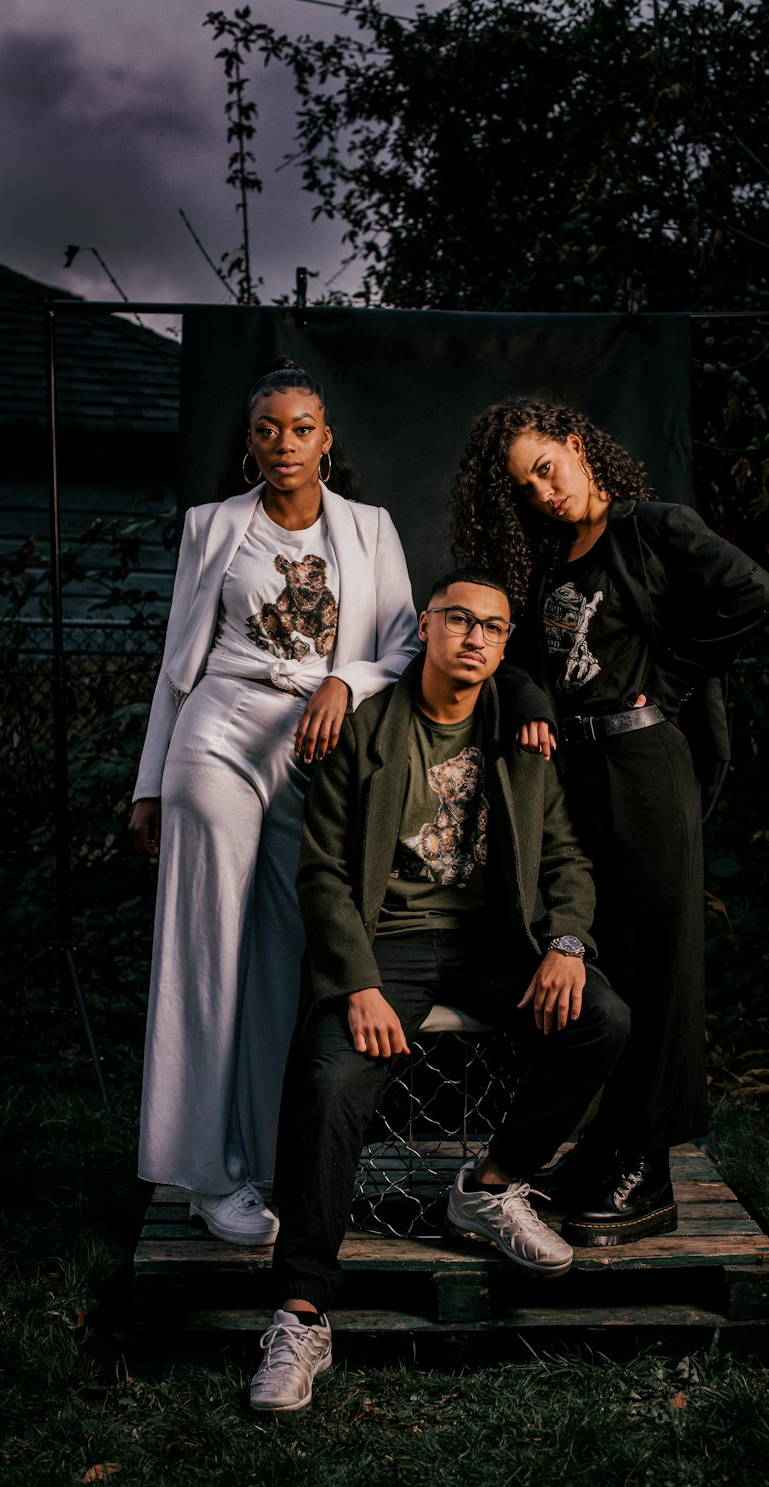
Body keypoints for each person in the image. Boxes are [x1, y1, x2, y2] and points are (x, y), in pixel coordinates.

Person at [249, 568, 630, 1414]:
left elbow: (565, 857)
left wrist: (565, 941)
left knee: (601, 1016)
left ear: (504, 646)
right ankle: (303, 1310)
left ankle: (489, 1189)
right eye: (460, 620)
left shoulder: (521, 733)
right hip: (388, 942)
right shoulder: (368, 728)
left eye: (494, 629)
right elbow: (321, 874)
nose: (475, 638)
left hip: (493, 941)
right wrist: (356, 981)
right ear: (426, 625)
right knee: (329, 1076)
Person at [449, 400, 769, 1247]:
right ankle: (603, 1142)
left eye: (547, 468)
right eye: (525, 485)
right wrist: (526, 701)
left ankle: (651, 1164)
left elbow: (756, 592)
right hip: (578, 774)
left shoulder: (652, 528)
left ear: (576, 444)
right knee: (610, 961)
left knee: (661, 964)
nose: (543, 492)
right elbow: (522, 662)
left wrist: (668, 684)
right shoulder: (551, 560)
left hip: (643, 766)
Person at [127, 358, 419, 1246]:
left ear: (327, 439)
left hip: (314, 749)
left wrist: (345, 681)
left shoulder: (369, 529)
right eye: (267, 429)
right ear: (248, 443)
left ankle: (269, 1158)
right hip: (217, 733)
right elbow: (180, 662)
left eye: (301, 428)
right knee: (205, 949)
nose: (284, 443)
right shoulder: (212, 526)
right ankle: (204, 1174)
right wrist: (148, 782)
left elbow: (405, 643)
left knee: (290, 956)